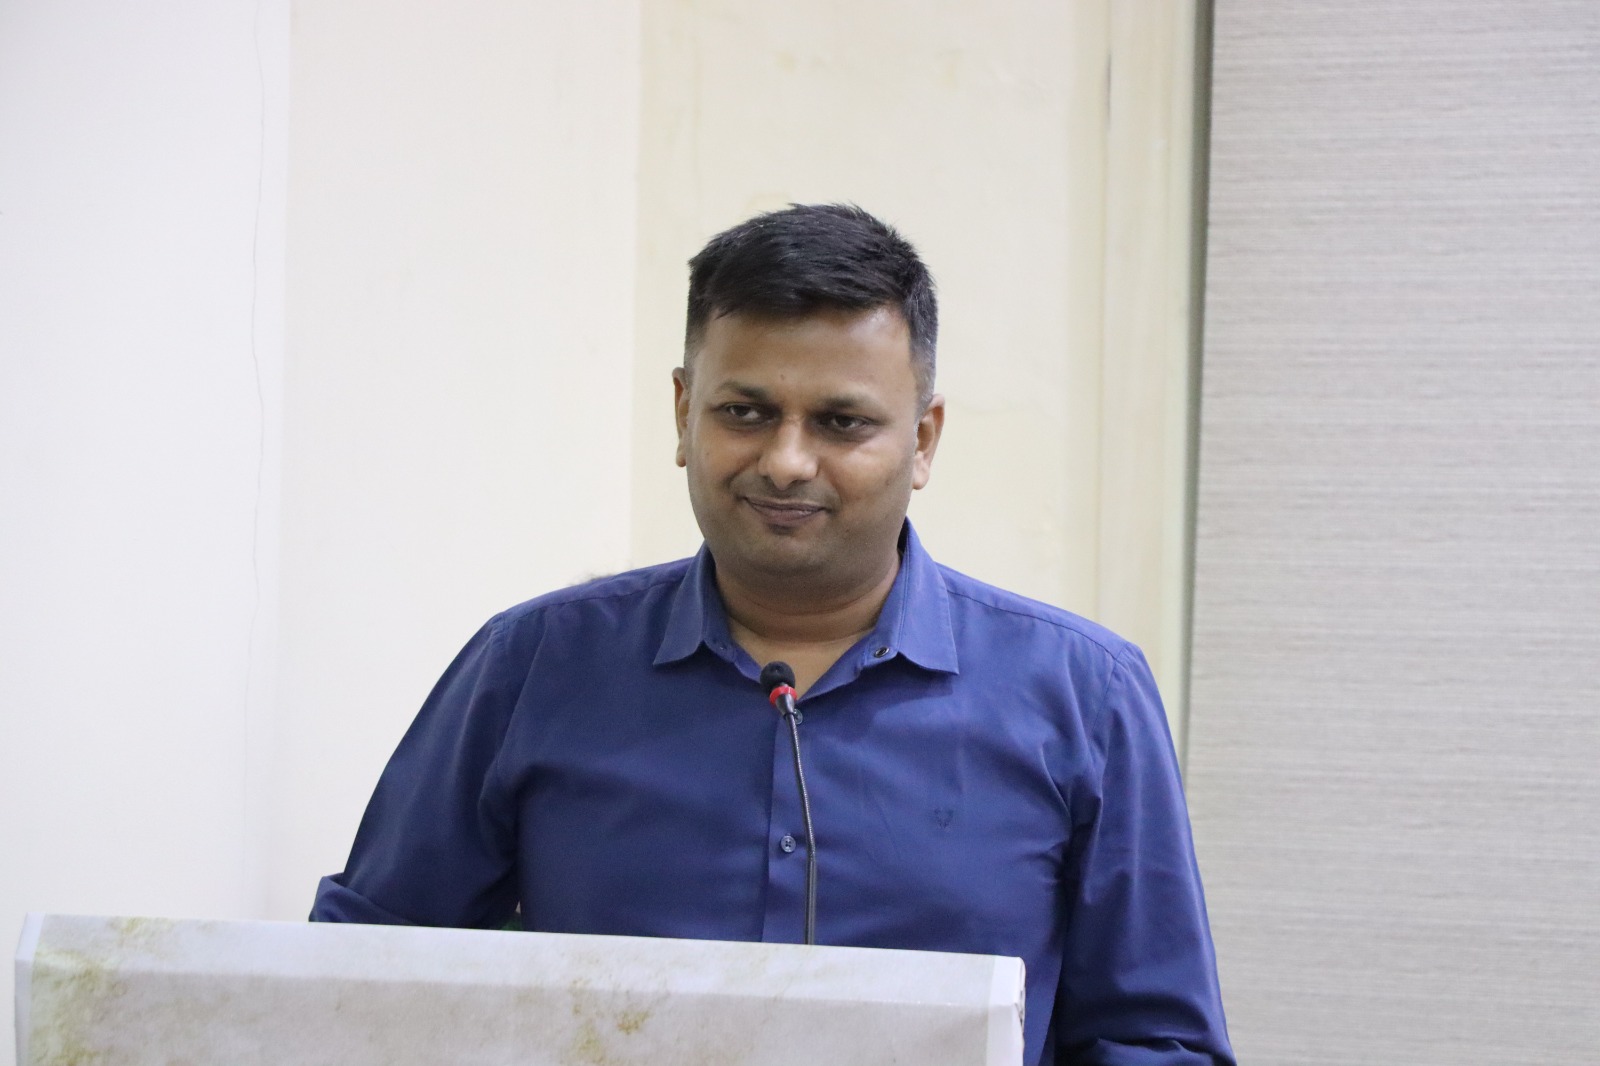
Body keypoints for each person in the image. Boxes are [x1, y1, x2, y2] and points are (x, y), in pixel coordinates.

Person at [312, 203, 1234, 1065]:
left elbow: (1156, 1042)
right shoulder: (532, 666)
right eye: (745, 413)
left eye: (842, 422)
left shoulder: (1085, 695)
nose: (787, 462)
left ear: (923, 440)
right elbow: (353, 992)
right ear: (684, 414)